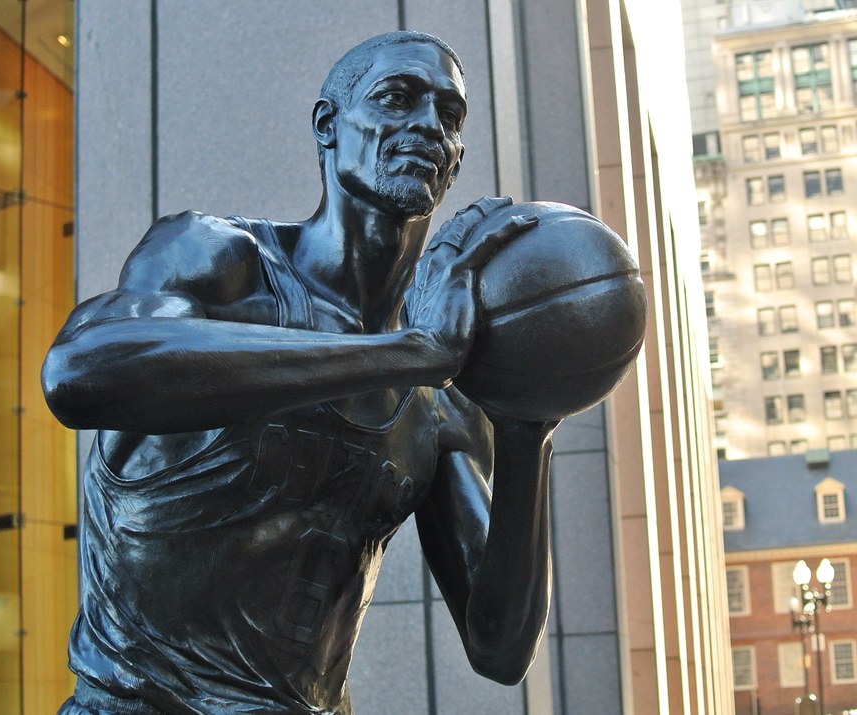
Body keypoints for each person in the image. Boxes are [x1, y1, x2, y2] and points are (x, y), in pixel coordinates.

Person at [44, 30, 555, 715]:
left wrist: (529, 427)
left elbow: (500, 648)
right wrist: (411, 353)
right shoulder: (219, 262)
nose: (428, 126)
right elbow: (80, 372)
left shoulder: (442, 404)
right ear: (328, 126)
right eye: (397, 99)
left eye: (448, 115)